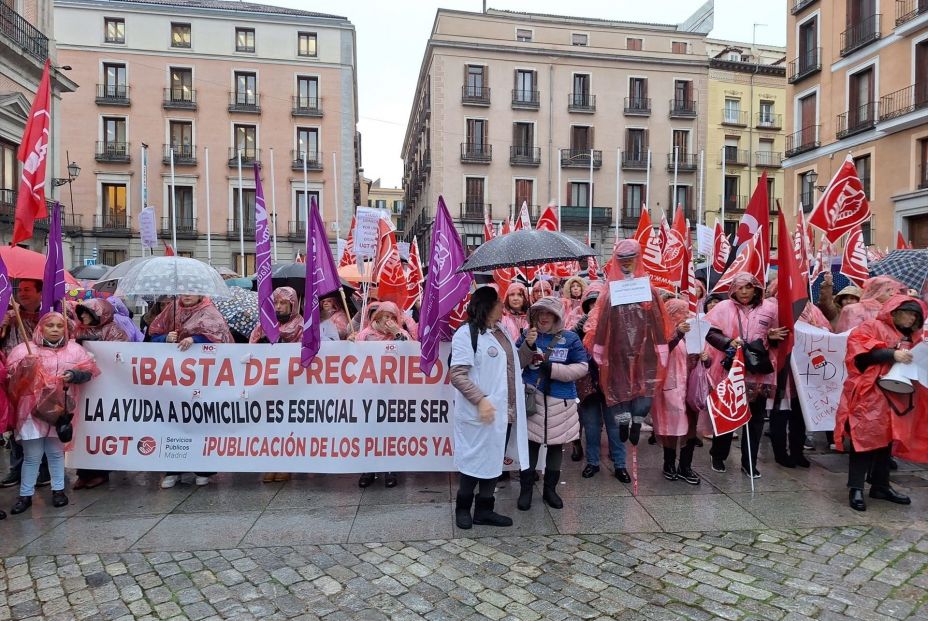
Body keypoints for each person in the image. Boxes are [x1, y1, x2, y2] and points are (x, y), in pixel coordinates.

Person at [449, 286, 529, 529]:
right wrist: (482, 400)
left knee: (494, 462)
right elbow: (458, 374)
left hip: (503, 412)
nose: (503, 307)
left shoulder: (502, 331)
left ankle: (484, 509)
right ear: (486, 305)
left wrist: (529, 346)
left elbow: (516, 365)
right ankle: (463, 508)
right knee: (473, 462)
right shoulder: (466, 334)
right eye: (498, 303)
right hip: (479, 413)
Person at [835, 296, 925, 511]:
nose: (911, 318)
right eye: (908, 313)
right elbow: (859, 356)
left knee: (887, 442)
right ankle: (855, 487)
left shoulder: (915, 337)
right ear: (894, 311)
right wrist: (892, 354)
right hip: (871, 394)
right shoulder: (872, 326)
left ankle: (880, 485)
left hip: (899, 396)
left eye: (915, 316)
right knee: (863, 439)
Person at [7, 312, 99, 514]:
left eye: (60, 326)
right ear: (41, 328)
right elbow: (11, 378)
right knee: (32, 455)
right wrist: (25, 367)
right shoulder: (24, 350)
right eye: (51, 325)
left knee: (56, 453)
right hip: (31, 411)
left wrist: (74, 375)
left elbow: (90, 371)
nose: (56, 329)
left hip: (59, 410)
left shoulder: (75, 350)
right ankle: (25, 495)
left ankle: (58, 491)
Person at [585, 239, 670, 453]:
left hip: (646, 350)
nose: (626, 264)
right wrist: (600, 347)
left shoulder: (648, 289)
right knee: (618, 386)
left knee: (645, 386)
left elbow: (658, 318)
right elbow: (603, 319)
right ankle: (623, 419)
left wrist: (661, 345)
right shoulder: (611, 291)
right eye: (622, 260)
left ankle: (638, 419)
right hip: (617, 349)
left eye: (630, 259)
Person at [704, 273, 786, 478]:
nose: (744, 292)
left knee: (755, 418)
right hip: (731, 370)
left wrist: (772, 336)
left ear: (756, 289)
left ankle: (749, 461)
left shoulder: (770, 308)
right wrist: (727, 342)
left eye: (749, 287)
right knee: (727, 413)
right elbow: (709, 331)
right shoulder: (723, 308)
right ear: (733, 290)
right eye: (740, 288)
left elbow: (779, 335)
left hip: (758, 372)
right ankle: (718, 455)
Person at [148, 295, 231, 488]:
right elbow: (153, 335)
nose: (187, 294)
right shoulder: (172, 309)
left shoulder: (210, 312)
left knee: (200, 420)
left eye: (192, 291)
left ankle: (203, 468)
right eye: (184, 290)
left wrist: (196, 339)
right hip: (174, 377)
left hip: (203, 377)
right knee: (174, 420)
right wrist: (165, 338)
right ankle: (173, 469)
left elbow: (221, 340)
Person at [516, 296, 588, 511]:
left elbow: (582, 367)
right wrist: (527, 345)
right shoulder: (526, 336)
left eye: (549, 313)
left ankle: (550, 490)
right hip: (533, 399)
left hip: (561, 400)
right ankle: (526, 490)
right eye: (540, 313)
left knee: (557, 446)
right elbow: (515, 363)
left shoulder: (571, 338)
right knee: (531, 445)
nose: (544, 317)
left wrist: (554, 370)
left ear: (557, 316)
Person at [71, 299, 132, 490]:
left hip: (106, 386)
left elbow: (122, 355)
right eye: (82, 313)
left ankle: (100, 472)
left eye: (88, 313)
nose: (83, 317)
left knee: (102, 429)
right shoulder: (78, 331)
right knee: (83, 428)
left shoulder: (113, 331)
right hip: (84, 386)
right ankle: (83, 471)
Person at [574, 284, 631, 483]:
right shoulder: (581, 325)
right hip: (588, 382)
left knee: (614, 426)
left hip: (613, 382)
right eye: (591, 303)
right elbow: (572, 346)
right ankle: (592, 462)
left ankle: (620, 465)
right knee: (591, 425)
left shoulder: (618, 324)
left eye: (599, 303)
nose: (594, 307)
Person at [249, 286, 304, 483]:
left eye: (283, 303)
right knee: (268, 427)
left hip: (290, 386)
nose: (279, 307)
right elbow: (250, 351)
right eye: (276, 303)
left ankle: (285, 465)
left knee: (287, 427)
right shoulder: (263, 325)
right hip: (267, 386)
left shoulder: (300, 325)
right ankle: (271, 463)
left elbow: (307, 353)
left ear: (292, 304)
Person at [355, 301, 411, 488]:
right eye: (385, 317)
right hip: (369, 393)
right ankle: (368, 469)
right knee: (369, 431)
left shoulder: (400, 335)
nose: (388, 321)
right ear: (377, 317)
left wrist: (397, 333)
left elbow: (410, 352)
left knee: (390, 432)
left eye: (392, 317)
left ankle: (390, 469)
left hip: (393, 393)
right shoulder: (364, 335)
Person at [0, 279, 49, 489]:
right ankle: (17, 468)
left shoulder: (50, 312)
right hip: (16, 377)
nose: (22, 293)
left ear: (40, 292)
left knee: (45, 422)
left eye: (28, 289)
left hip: (44, 376)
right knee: (17, 424)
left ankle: (45, 470)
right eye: (20, 289)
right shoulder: (10, 315)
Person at [653, 299, 701, 484]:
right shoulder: (660, 332)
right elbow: (661, 352)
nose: (684, 316)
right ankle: (669, 463)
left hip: (690, 387)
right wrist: (678, 334)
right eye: (679, 312)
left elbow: (703, 355)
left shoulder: (695, 331)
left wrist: (705, 358)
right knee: (670, 428)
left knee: (690, 427)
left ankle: (686, 466)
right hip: (669, 389)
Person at [835, 276, 907, 332]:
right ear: (876, 291)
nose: (892, 294)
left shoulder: (890, 311)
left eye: (892, 290)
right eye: (887, 290)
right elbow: (849, 336)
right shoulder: (852, 309)